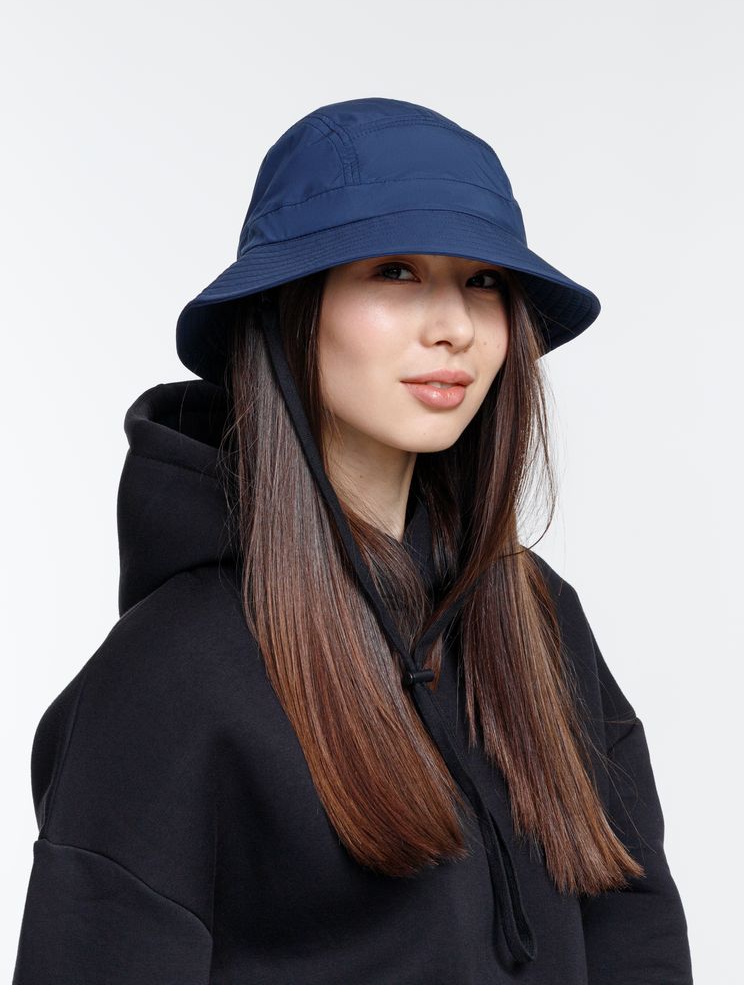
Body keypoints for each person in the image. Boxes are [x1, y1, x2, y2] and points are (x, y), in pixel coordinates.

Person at [12, 97, 693, 983]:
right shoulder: (168, 674)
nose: (453, 326)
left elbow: (635, 931)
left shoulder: (536, 617)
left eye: (484, 282)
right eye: (395, 271)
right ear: (291, 309)